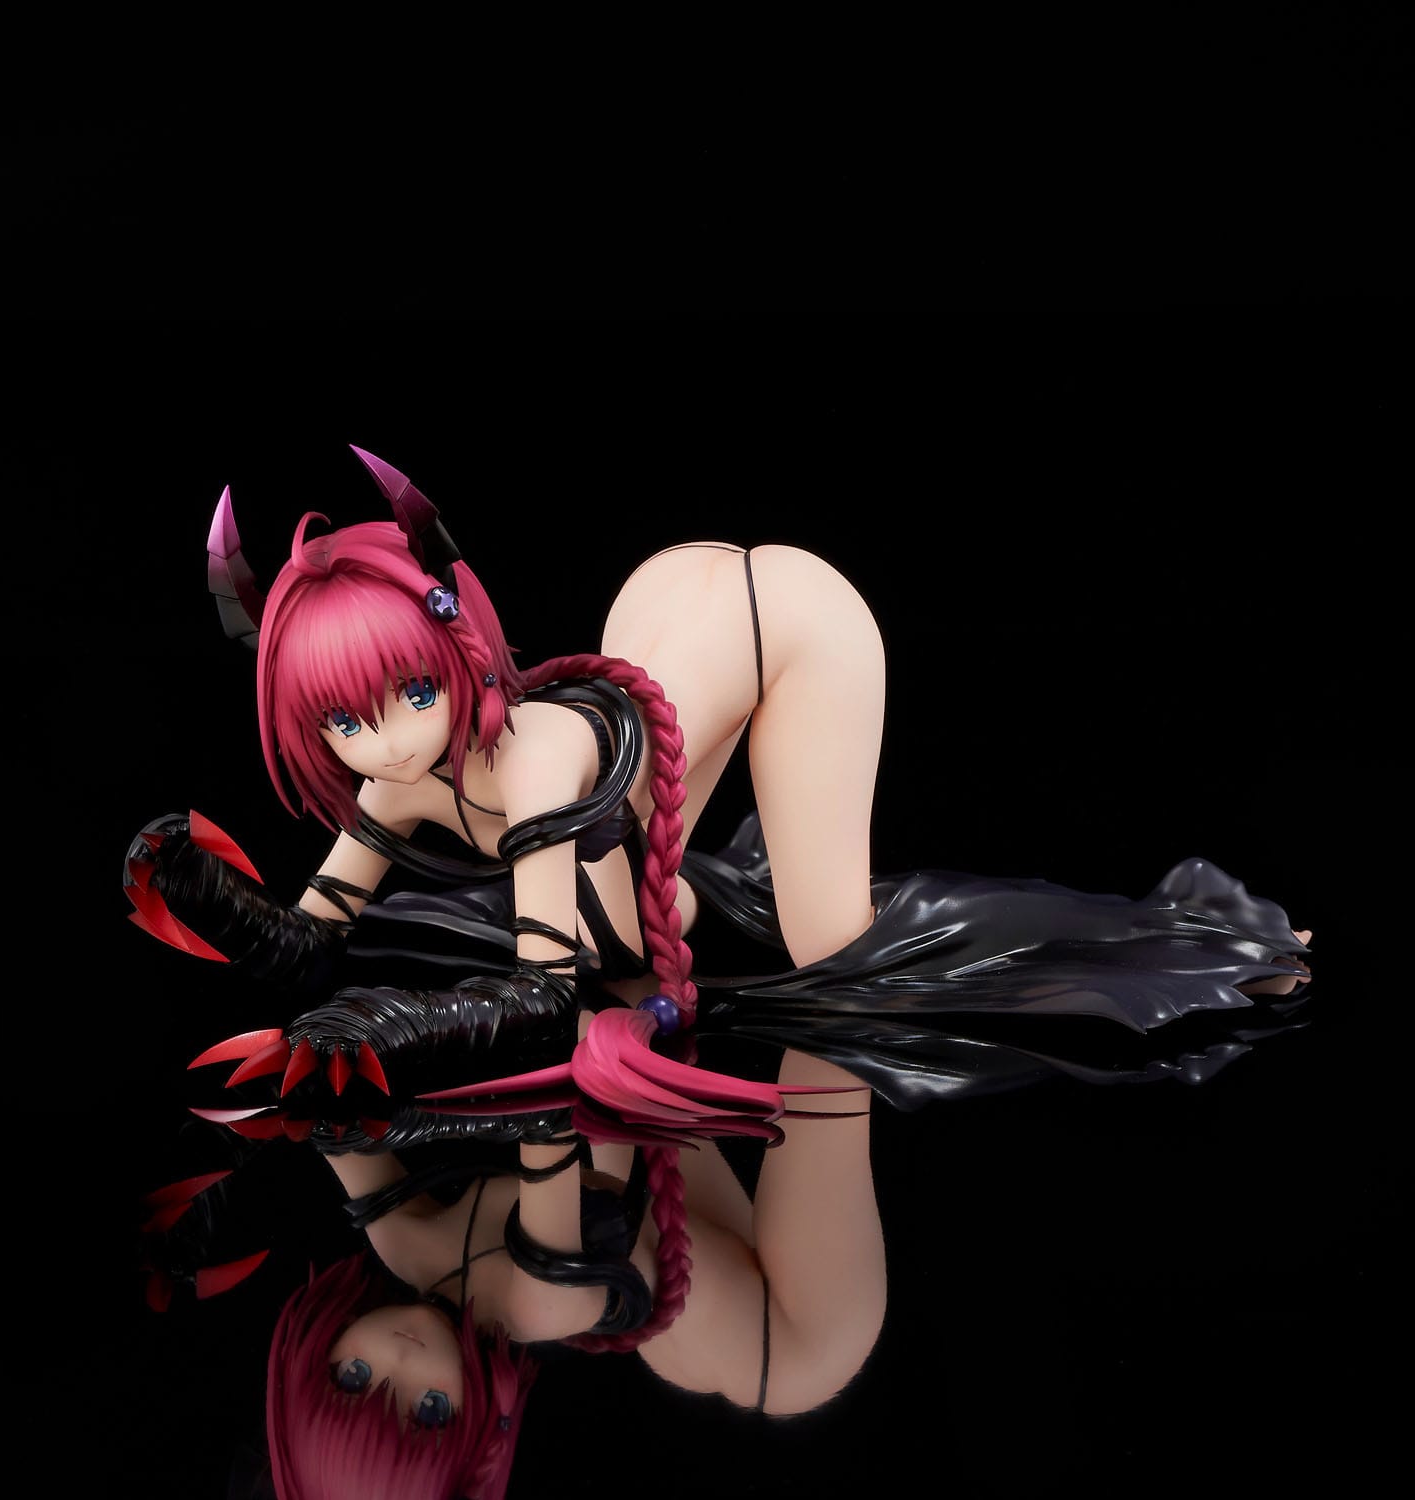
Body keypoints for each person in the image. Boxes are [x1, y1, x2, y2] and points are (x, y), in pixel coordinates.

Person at [126, 444, 1312, 1498]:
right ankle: (695, 893)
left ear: (455, 646)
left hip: (784, 624)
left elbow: (543, 996)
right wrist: (206, 892)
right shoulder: (399, 786)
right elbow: (311, 944)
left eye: (413, 692)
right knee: (638, 912)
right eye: (344, 723)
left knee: (837, 951)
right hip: (666, 620)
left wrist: (388, 1026)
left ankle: (1204, 941)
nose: (383, 741)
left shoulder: (525, 764)